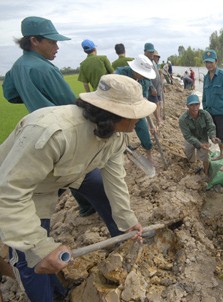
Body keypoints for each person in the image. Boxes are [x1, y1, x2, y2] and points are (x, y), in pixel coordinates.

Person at [0, 74, 156, 302]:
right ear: (113, 113)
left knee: (98, 188)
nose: (139, 119)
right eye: (134, 114)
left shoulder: (115, 135)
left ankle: (62, 291)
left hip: (65, 174)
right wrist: (39, 245)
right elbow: (11, 191)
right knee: (30, 257)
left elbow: (115, 179)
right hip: (22, 189)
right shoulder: (52, 132)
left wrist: (127, 219)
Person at [1, 16, 97, 217]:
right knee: (86, 172)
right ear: (35, 40)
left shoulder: (18, 66)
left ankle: (86, 206)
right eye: (52, 41)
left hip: (39, 129)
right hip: (62, 129)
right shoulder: (44, 68)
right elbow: (69, 104)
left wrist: (32, 96)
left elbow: (10, 94)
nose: (57, 47)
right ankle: (97, 210)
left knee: (64, 171)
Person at [115, 54, 157, 161]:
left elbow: (144, 102)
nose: (143, 76)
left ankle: (149, 157)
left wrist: (151, 125)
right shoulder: (120, 74)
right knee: (118, 137)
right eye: (141, 74)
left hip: (136, 110)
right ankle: (121, 155)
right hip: (119, 109)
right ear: (135, 70)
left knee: (144, 133)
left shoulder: (144, 81)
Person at [202, 49, 223, 171]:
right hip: (210, 112)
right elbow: (205, 95)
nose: (208, 65)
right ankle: (221, 153)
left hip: (222, 112)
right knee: (216, 136)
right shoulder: (206, 78)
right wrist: (205, 108)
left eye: (211, 62)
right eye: (206, 62)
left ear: (216, 61)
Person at [179, 94, 220, 176]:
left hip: (202, 138)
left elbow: (211, 127)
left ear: (199, 104)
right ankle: (192, 165)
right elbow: (187, 136)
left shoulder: (205, 114)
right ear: (187, 106)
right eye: (192, 105)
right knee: (188, 152)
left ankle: (206, 172)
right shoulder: (183, 119)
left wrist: (213, 137)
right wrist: (200, 144)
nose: (195, 107)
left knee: (205, 156)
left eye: (197, 104)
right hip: (190, 139)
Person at [144, 42, 163, 126]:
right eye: (150, 52)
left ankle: (158, 119)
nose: (152, 54)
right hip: (150, 88)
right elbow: (145, 76)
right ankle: (157, 120)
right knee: (155, 103)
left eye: (152, 52)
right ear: (145, 52)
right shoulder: (145, 62)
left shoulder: (153, 61)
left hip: (156, 87)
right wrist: (151, 87)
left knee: (157, 103)